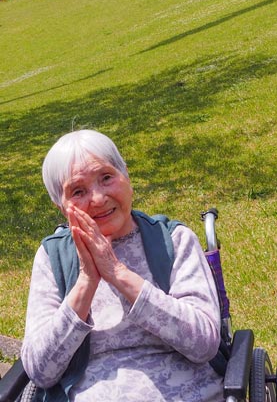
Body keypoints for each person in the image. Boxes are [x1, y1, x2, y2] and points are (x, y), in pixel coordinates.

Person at [21, 129, 223, 402]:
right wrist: (86, 281)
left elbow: (204, 345)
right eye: (78, 191)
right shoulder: (52, 257)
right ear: (61, 206)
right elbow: (40, 371)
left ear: (126, 177)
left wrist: (118, 273)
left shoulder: (173, 240)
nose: (98, 198)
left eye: (106, 177)